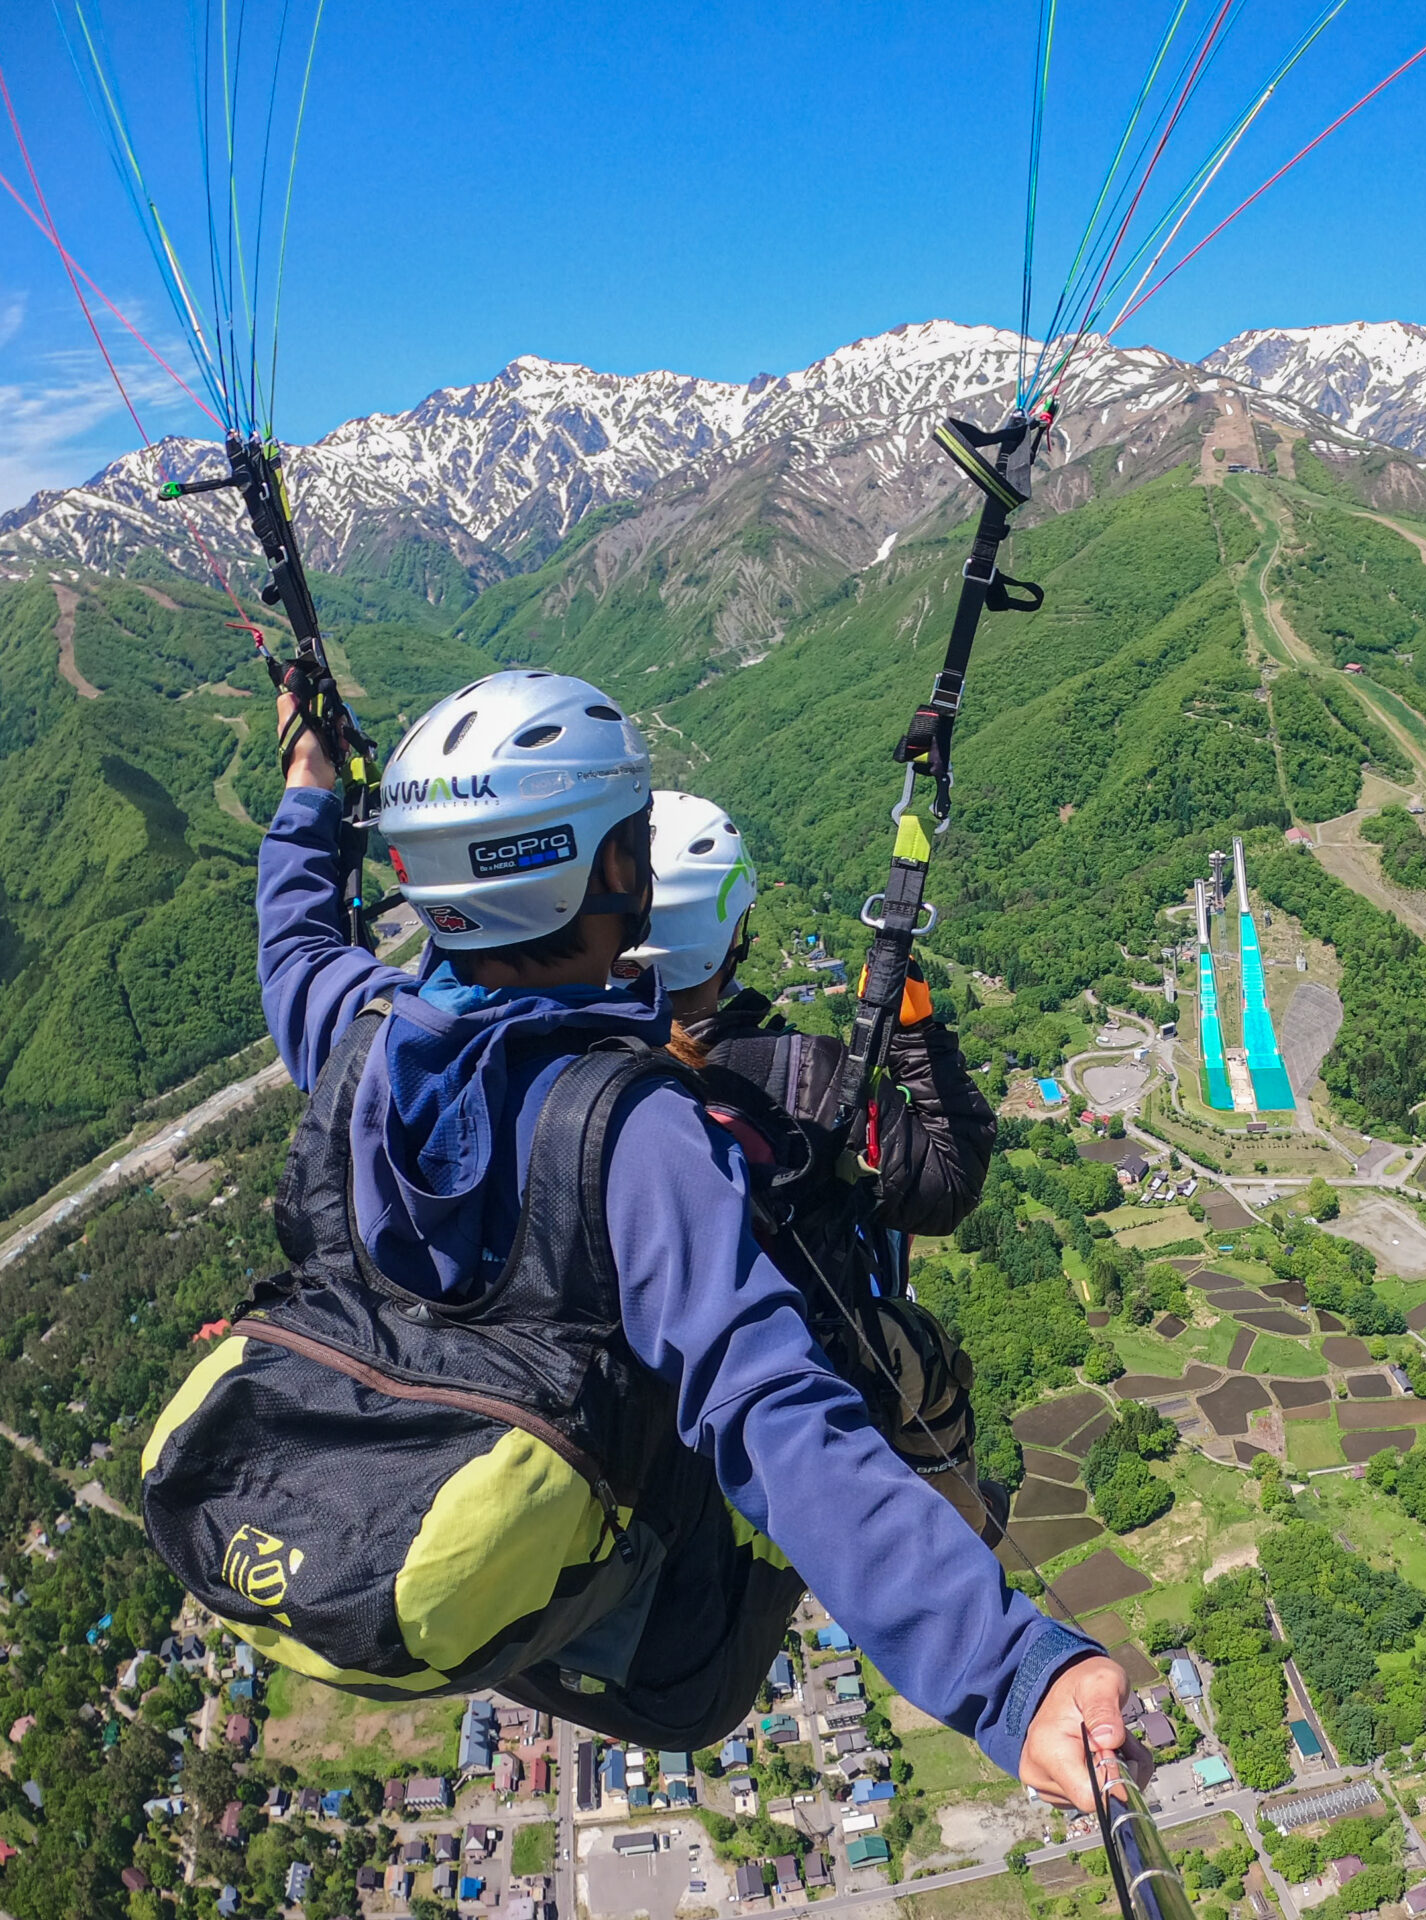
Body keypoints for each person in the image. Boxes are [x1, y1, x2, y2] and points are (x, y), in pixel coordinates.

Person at [141, 669, 1123, 1806]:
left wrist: (310, 787)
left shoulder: (356, 1041)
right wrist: (1005, 1675)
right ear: (614, 871)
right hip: (660, 1645)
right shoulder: (640, 1137)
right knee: (895, 1368)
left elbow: (296, 944)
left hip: (432, 1552)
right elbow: (773, 1416)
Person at [625, 790, 1007, 1540]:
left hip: (637, 1373)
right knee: (921, 1350)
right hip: (790, 1361)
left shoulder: (563, 1064)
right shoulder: (803, 1079)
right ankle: (959, 1526)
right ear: (730, 935)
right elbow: (946, 1182)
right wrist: (914, 1034)